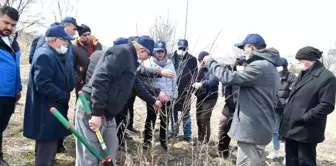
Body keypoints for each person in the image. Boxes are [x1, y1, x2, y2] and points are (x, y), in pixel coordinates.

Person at [75, 35, 161, 165]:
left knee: (110, 152)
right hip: (92, 108)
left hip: (108, 114)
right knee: (90, 156)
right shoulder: (121, 53)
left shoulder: (131, 61)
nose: (146, 59)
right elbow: (101, 80)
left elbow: (135, 85)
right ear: (143, 51)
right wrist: (97, 114)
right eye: (148, 56)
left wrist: (153, 100)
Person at [202, 34, 281, 166]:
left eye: (244, 48)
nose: (243, 52)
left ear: (252, 48)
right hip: (258, 127)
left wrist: (211, 62)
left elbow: (229, 77)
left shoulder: (259, 67)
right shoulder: (269, 66)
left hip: (253, 130)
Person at [23, 25, 75, 166]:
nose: (67, 44)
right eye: (65, 40)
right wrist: (64, 95)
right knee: (46, 148)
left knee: (50, 146)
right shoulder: (45, 55)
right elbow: (43, 84)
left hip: (53, 108)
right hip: (46, 110)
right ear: (54, 40)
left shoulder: (54, 53)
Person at [279, 46, 336, 166]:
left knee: (305, 161)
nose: (298, 63)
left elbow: (327, 105)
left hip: (307, 130)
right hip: (291, 127)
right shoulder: (304, 73)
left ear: (312, 59)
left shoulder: (327, 77)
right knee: (291, 160)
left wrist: (305, 117)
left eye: (301, 60)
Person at [141, 40, 178, 150]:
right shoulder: (148, 63)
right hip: (153, 98)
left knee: (164, 120)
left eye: (162, 51)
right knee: (150, 119)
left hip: (167, 97)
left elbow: (174, 80)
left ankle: (163, 140)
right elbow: (144, 82)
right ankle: (147, 141)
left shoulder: (169, 63)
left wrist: (173, 95)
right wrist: (149, 96)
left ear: (165, 51)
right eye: (157, 51)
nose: (160, 54)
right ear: (154, 52)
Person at [0, 6, 21, 166]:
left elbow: (16, 67)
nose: (9, 27)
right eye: (6, 23)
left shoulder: (14, 43)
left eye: (13, 24)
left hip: (9, 95)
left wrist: (18, 88)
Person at [267, 57, 297, 161]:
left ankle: (287, 155)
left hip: (287, 109)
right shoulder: (273, 76)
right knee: (274, 131)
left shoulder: (291, 77)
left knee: (286, 132)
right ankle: (275, 151)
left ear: (283, 67)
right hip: (275, 108)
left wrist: (287, 105)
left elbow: (293, 93)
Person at [168, 39, 198, 142]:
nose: (182, 50)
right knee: (173, 114)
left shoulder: (192, 60)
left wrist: (191, 90)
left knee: (186, 114)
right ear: (177, 47)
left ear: (187, 48)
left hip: (186, 92)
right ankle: (173, 133)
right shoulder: (170, 58)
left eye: (184, 48)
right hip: (172, 91)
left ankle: (187, 135)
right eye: (180, 48)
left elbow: (195, 76)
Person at [193, 51, 219, 144]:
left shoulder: (213, 68)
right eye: (199, 61)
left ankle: (204, 140)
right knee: (198, 118)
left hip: (210, 97)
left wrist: (201, 84)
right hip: (200, 97)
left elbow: (213, 81)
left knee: (204, 119)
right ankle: (200, 137)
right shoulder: (200, 70)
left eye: (202, 61)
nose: (201, 63)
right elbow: (195, 80)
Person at [72, 24, 102, 100]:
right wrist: (79, 80)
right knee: (82, 103)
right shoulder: (74, 47)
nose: (87, 37)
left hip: (97, 79)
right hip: (82, 82)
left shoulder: (98, 45)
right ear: (79, 36)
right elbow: (72, 67)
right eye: (84, 35)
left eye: (89, 34)